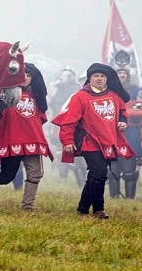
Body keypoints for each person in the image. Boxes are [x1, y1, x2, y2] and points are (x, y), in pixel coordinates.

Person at [53, 63, 134, 219]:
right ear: (89, 78)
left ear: (107, 79)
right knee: (100, 174)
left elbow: (122, 112)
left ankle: (83, 209)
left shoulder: (114, 96)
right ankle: (98, 209)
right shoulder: (80, 97)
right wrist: (67, 141)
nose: (99, 79)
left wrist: (122, 122)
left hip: (108, 142)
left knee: (94, 176)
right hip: (89, 142)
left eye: (102, 76)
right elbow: (69, 121)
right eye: (95, 76)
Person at [0, 63, 52, 210]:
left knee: (35, 173)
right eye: (23, 75)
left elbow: (39, 119)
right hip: (11, 140)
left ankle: (27, 207)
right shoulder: (5, 93)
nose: (25, 78)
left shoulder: (37, 97)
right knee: (7, 176)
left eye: (29, 76)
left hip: (32, 140)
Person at [108, 67, 142, 199]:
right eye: (119, 73)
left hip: (130, 133)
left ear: (128, 76)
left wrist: (122, 110)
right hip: (112, 133)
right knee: (112, 171)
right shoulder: (108, 91)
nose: (122, 75)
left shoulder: (136, 91)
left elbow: (141, 110)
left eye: (124, 73)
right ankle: (114, 198)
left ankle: (129, 199)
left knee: (129, 173)